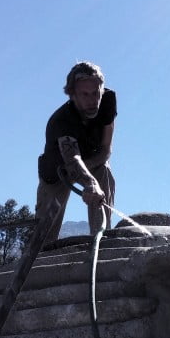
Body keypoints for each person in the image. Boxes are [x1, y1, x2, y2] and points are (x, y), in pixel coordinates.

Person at [36, 61, 117, 243]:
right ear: (72, 94)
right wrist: (89, 182)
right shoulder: (61, 121)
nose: (92, 100)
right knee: (44, 239)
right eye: (85, 94)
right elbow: (72, 159)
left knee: (103, 171)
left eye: (96, 93)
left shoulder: (108, 101)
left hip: (90, 161)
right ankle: (39, 261)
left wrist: (92, 181)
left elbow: (105, 149)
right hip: (56, 174)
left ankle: (101, 240)